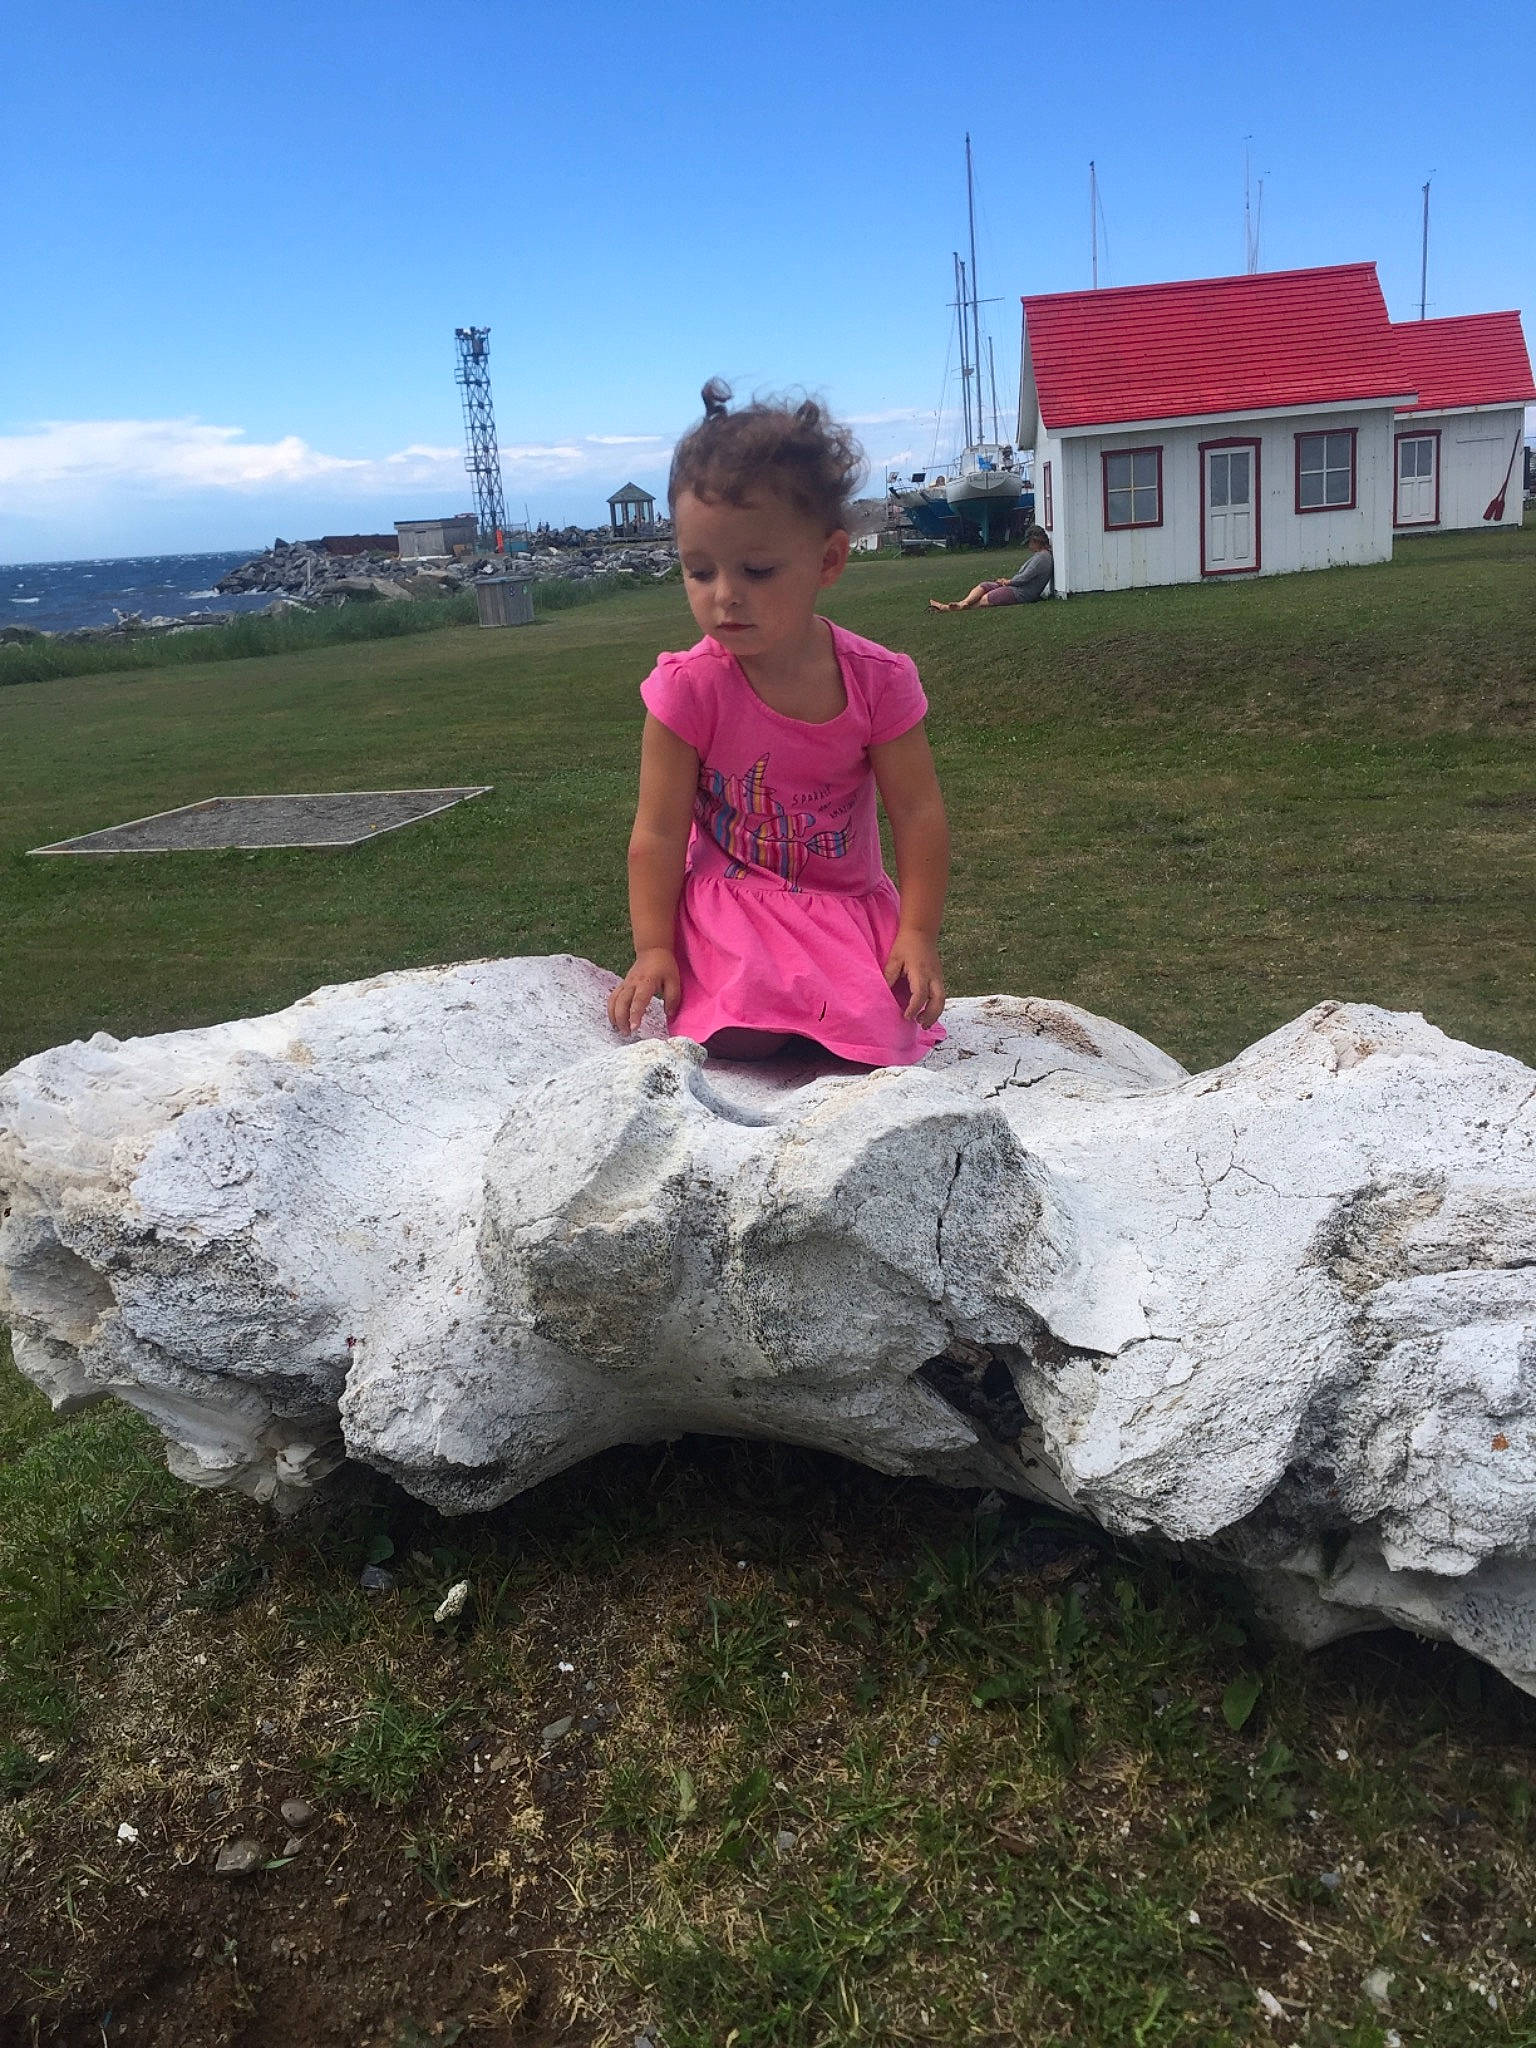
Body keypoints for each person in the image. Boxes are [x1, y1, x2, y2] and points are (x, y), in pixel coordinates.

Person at [607, 379, 949, 1065]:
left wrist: (916, 934)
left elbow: (917, 813)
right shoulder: (687, 689)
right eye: (699, 571)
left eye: (757, 569)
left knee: (871, 1042)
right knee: (740, 1033)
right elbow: (658, 831)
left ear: (828, 560)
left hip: (841, 907)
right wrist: (653, 948)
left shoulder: (876, 681)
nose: (724, 596)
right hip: (730, 908)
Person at [928, 526, 1053, 610]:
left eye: (1030, 543)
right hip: (1015, 587)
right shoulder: (1040, 556)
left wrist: (1008, 582)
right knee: (984, 585)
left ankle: (947, 608)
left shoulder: (1042, 558)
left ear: (1036, 541)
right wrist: (1007, 582)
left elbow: (1025, 578)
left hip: (1021, 593)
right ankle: (963, 603)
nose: (1029, 546)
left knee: (988, 598)